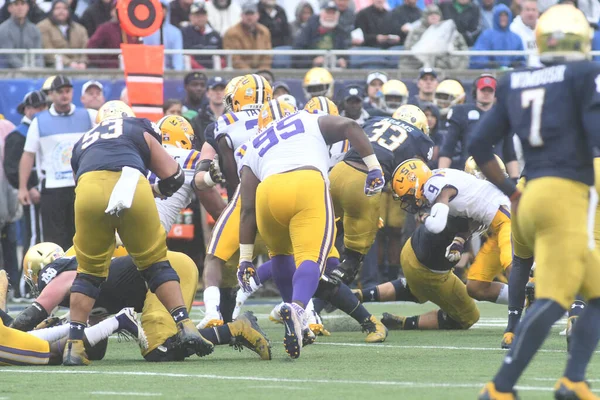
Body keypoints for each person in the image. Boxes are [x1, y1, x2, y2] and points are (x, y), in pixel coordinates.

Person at [468, 5, 600, 399]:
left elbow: (478, 144)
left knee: (595, 292)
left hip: (529, 192)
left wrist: (510, 189)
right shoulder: (581, 73)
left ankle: (573, 380)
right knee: (556, 299)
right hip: (565, 196)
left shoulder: (515, 80)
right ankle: (500, 386)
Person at [63, 100, 214, 366]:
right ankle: (186, 325)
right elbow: (173, 176)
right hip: (132, 185)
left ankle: (74, 344)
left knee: (88, 272)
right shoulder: (139, 126)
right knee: (155, 263)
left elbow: (79, 182)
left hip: (88, 191)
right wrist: (158, 191)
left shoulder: (82, 140)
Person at [237, 105, 383, 359]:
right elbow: (351, 125)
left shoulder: (254, 143)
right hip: (306, 182)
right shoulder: (306, 118)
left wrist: (245, 258)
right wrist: (374, 167)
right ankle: (298, 309)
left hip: (267, 194)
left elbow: (247, 209)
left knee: (281, 257)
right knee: (312, 258)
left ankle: (298, 322)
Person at [10, 243, 271, 362]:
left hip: (166, 272)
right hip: (161, 276)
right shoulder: (86, 289)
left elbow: (33, 312)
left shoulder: (61, 274)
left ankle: (238, 328)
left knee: (158, 350)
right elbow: (95, 350)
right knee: (165, 345)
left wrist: (10, 336)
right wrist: (65, 332)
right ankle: (234, 330)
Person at [193, 74, 272, 329]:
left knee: (215, 257)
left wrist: (213, 177)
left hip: (245, 198)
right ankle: (307, 313)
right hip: (281, 194)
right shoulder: (285, 115)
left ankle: (213, 312)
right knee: (294, 258)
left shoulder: (224, 122)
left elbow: (202, 174)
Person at [328, 105, 434, 285]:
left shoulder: (375, 120)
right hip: (364, 183)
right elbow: (417, 173)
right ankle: (326, 299)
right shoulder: (420, 138)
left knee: (326, 232)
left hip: (337, 173)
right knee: (351, 261)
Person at [18, 76, 96, 251]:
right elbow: (28, 155)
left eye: (67, 91)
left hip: (82, 187)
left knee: (83, 238)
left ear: (72, 92)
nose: (64, 95)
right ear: (51, 95)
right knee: (54, 242)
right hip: (53, 189)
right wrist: (23, 187)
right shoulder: (39, 121)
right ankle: (58, 277)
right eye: (60, 92)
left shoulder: (88, 116)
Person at [3, 91, 47, 297]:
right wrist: (27, 187)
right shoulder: (18, 134)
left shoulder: (46, 129)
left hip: (50, 192)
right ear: (27, 109)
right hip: (32, 195)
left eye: (44, 107)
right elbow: (11, 168)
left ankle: (40, 282)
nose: (41, 111)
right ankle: (26, 286)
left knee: (46, 238)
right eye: (37, 107)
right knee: (33, 238)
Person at [438, 74, 519, 178]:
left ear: (495, 93)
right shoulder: (461, 112)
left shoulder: (503, 114)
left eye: (490, 91)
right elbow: (448, 148)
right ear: (475, 91)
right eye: (483, 90)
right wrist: (441, 175)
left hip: (498, 173)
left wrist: (515, 179)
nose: (486, 93)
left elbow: (509, 152)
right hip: (469, 171)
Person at [292, 1, 349, 69]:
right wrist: (312, 61)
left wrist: (343, 61)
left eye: (333, 13)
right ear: (321, 13)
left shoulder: (341, 31)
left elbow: (345, 52)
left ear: (337, 15)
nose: (330, 16)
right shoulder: (309, 28)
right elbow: (297, 52)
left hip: (335, 69)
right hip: (310, 70)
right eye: (328, 12)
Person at [470, 4, 526, 69]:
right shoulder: (486, 35)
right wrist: (492, 65)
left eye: (505, 15)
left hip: (512, 74)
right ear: (496, 17)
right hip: (491, 74)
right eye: (501, 15)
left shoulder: (516, 38)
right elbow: (478, 57)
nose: (503, 18)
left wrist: (513, 67)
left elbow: (521, 60)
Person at [86, 0, 139, 68]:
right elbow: (91, 47)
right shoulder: (105, 28)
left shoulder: (133, 29)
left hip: (130, 69)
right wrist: (103, 64)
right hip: (110, 71)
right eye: (117, 9)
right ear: (112, 12)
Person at [37, 0, 88, 69]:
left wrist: (83, 62)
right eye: (57, 8)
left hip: (80, 66)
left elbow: (86, 48)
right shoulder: (43, 27)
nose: (61, 11)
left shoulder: (80, 29)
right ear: (52, 11)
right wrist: (69, 63)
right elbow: (48, 51)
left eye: (65, 8)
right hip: (54, 66)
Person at [223, 1, 272, 69]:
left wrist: (262, 71)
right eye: (246, 14)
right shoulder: (231, 33)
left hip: (261, 73)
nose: (249, 17)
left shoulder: (264, 31)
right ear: (241, 15)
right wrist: (250, 74)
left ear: (258, 15)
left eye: (252, 14)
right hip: (239, 73)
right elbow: (234, 58)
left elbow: (267, 56)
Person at [0, 0, 43, 68]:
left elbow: (38, 55)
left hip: (33, 73)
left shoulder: (35, 30)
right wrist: (26, 69)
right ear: (10, 8)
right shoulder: (3, 29)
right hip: (9, 73)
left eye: (23, 4)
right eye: (16, 4)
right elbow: (9, 57)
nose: (20, 7)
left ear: (27, 7)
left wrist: (37, 69)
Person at [143, 0, 184, 71]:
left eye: (163, 8)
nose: (160, 10)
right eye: (157, 8)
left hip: (169, 72)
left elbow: (177, 56)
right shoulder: (145, 31)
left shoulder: (175, 32)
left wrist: (178, 73)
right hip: (149, 71)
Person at [182, 2, 222, 70]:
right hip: (191, 71)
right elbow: (186, 56)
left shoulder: (215, 34)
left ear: (207, 16)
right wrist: (202, 69)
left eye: (203, 15)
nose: (201, 18)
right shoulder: (185, 32)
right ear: (190, 16)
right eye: (197, 15)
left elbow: (221, 57)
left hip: (214, 71)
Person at [191, 76, 227, 148]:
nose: (218, 93)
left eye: (222, 89)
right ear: (207, 93)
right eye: (214, 89)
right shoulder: (197, 121)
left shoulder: (234, 117)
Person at [509, 0, 540, 67]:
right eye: (527, 10)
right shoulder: (513, 29)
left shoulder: (543, 27)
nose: (530, 13)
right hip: (523, 69)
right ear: (521, 12)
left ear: (538, 12)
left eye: (533, 10)